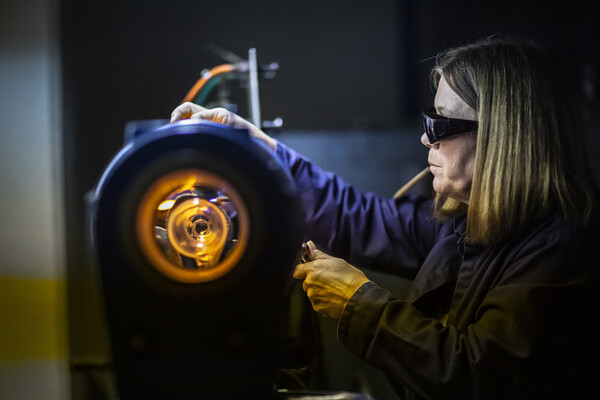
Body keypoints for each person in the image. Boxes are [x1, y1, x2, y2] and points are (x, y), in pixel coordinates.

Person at [170, 37, 600, 399]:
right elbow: (361, 219)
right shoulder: (466, 222)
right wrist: (262, 150)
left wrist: (360, 303)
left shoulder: (562, 247)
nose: (424, 137)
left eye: (440, 124)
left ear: (503, 135)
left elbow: (476, 375)